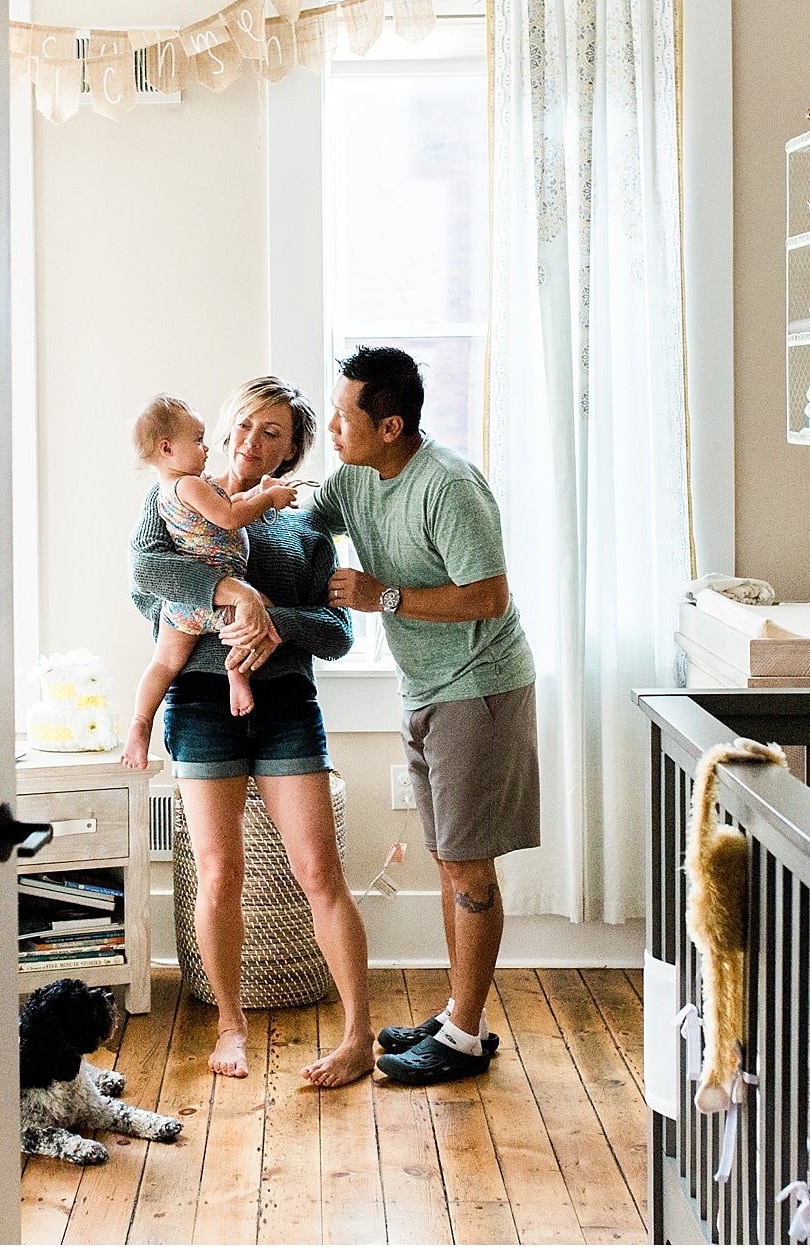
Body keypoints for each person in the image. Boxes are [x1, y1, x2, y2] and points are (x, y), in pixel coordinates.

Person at [129, 376, 377, 1087]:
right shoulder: (175, 497)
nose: (250, 442)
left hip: (287, 701)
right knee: (219, 872)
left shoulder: (303, 529)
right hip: (202, 702)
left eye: (273, 434)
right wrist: (232, 593)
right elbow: (145, 574)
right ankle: (230, 1023)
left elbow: (337, 633)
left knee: (320, 873)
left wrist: (277, 625)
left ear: (291, 450)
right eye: (245, 425)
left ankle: (359, 1035)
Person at [307, 346, 539, 1086]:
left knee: (469, 863)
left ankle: (464, 1037)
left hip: (481, 685)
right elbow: (298, 529)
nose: (333, 430)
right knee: (448, 857)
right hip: (426, 686)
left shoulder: (448, 487)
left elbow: (489, 596)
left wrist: (387, 598)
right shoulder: (354, 477)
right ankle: (456, 1014)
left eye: (344, 417)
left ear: (390, 425)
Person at [120, 395, 299, 769]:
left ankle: (140, 723)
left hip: (181, 606)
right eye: (198, 441)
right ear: (168, 449)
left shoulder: (177, 488)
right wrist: (269, 498)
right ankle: (236, 673)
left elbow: (229, 500)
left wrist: (257, 491)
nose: (206, 449)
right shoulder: (190, 485)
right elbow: (231, 515)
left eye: (269, 432)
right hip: (216, 594)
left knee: (164, 664)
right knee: (260, 617)